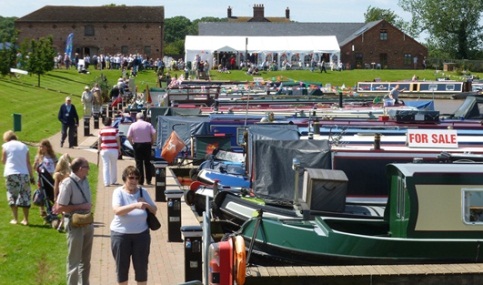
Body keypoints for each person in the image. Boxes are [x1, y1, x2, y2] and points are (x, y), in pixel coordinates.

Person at [110, 165, 157, 285]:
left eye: (137, 178)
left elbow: (154, 210)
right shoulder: (118, 192)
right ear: (125, 178)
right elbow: (117, 211)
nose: (134, 181)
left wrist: (146, 205)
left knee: (141, 267)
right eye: (131, 178)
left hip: (141, 235)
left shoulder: (143, 191)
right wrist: (135, 205)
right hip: (121, 235)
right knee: (122, 268)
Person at [56, 157, 94, 285]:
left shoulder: (85, 180)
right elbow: (60, 207)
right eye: (87, 166)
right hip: (74, 225)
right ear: (80, 169)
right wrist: (81, 206)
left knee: (86, 261)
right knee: (74, 262)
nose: (89, 169)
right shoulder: (68, 183)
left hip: (87, 223)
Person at [2, 130, 35, 225]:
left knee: (12, 195)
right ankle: (26, 220)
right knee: (25, 196)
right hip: (24, 174)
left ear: (6, 139)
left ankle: (15, 219)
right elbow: (28, 162)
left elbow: (3, 161)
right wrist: (31, 176)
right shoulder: (24, 146)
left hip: (11, 173)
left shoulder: (5, 146)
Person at [127, 113, 156, 186]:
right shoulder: (148, 125)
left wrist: (132, 143)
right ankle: (149, 180)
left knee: (139, 163)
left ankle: (140, 180)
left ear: (136, 118)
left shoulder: (133, 125)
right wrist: (152, 141)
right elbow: (154, 133)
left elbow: (128, 136)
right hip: (147, 144)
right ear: (144, 118)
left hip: (137, 145)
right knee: (147, 163)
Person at [33, 139, 57, 217]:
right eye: (40, 147)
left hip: (51, 177)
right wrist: (36, 164)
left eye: (42, 146)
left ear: (47, 147)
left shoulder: (53, 157)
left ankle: (54, 209)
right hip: (41, 178)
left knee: (52, 193)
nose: (41, 148)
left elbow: (57, 167)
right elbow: (34, 167)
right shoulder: (38, 157)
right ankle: (42, 211)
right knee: (42, 193)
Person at [98, 117, 121, 187]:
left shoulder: (101, 130)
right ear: (111, 122)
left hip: (104, 150)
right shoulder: (115, 130)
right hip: (114, 149)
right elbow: (118, 141)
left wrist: (99, 149)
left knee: (105, 166)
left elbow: (99, 141)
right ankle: (113, 181)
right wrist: (119, 149)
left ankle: (106, 182)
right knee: (113, 165)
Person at [53, 153, 72, 232]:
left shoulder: (58, 175)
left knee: (64, 210)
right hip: (70, 193)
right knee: (67, 210)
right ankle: (62, 225)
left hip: (61, 194)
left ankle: (61, 225)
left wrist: (55, 196)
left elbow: (56, 187)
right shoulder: (70, 174)